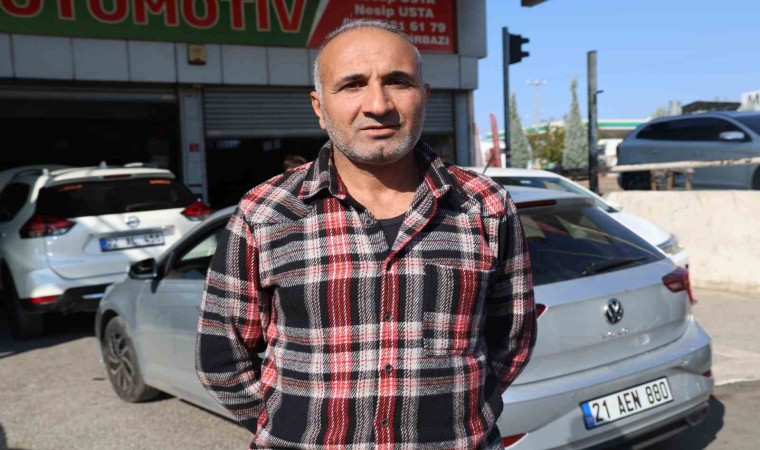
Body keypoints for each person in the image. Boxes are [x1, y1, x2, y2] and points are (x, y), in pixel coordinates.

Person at [196, 19, 536, 450]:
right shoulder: (265, 213)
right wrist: (287, 426)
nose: (378, 104)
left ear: (425, 96)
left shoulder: (485, 206)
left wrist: (461, 415)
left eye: (397, 81)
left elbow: (512, 340)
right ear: (319, 107)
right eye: (352, 84)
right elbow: (221, 356)